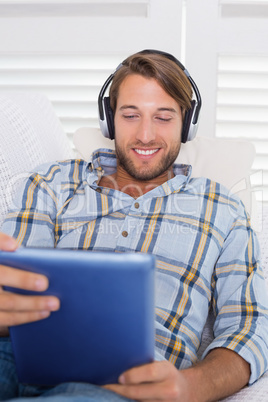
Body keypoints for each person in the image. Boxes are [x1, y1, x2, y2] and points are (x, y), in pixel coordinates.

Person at [0, 49, 267, 402]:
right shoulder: (51, 182)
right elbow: (14, 281)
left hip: (126, 379)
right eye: (130, 115)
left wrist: (191, 386)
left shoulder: (223, 209)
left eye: (163, 117)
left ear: (187, 124)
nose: (145, 135)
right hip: (16, 353)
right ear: (109, 120)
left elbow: (249, 326)